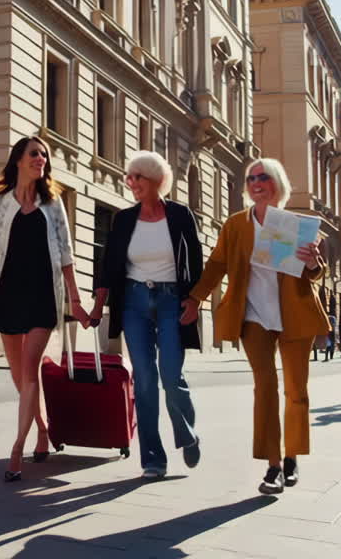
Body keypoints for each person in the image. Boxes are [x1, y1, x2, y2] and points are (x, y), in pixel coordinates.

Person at [182, 158, 327, 495]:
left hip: (295, 316)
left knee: (296, 391)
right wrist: (195, 298)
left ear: (277, 183)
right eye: (251, 178)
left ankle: (292, 457)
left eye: (263, 177)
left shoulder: (297, 225)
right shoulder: (236, 225)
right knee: (265, 387)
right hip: (253, 316)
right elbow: (217, 264)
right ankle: (273, 466)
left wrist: (313, 263)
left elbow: (317, 274)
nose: (256, 182)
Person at [0, 135, 84, 483]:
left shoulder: (53, 204)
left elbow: (66, 254)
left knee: (30, 372)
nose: (41, 159)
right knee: (19, 376)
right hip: (8, 294)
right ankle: (43, 429)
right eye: (34, 153)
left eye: (44, 155)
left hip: (43, 295)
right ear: (18, 159)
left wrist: (76, 300)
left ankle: (17, 448)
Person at [87, 150, 202, 480]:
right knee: (145, 379)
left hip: (171, 301)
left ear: (156, 180)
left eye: (138, 176)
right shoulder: (124, 219)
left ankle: (188, 434)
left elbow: (196, 262)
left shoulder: (179, 215)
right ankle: (153, 458)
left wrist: (194, 301)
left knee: (171, 376)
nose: (131, 182)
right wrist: (98, 306)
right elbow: (109, 266)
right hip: (133, 301)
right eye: (130, 177)